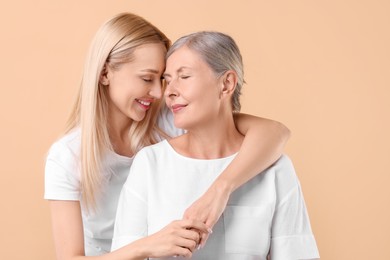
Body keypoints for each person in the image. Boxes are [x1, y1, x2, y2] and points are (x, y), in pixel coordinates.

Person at [44, 13, 290, 259]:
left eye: (163, 79)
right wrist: (148, 245)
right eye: (146, 78)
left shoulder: (169, 121)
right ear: (105, 73)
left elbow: (275, 133)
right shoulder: (67, 156)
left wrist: (220, 190)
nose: (159, 92)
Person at [111, 31, 320, 259]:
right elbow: (124, 253)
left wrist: (220, 191)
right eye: (167, 79)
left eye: (184, 76)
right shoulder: (150, 163)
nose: (169, 92)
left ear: (226, 84)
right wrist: (155, 244)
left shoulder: (275, 168)